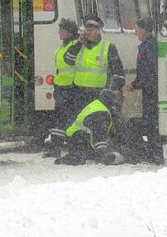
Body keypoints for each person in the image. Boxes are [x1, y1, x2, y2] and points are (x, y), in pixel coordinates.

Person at [125, 16, 164, 164]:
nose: (136, 33)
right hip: (150, 90)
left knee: (152, 124)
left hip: (151, 91)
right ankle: (154, 154)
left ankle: (156, 156)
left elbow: (148, 73)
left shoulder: (149, 47)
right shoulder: (147, 46)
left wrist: (135, 84)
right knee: (150, 123)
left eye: (137, 30)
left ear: (144, 30)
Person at [55, 89, 123, 165]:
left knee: (89, 155)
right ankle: (71, 158)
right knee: (85, 157)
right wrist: (102, 152)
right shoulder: (101, 112)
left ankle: (75, 156)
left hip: (75, 136)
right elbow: (99, 133)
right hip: (78, 137)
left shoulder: (97, 105)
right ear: (109, 101)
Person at [44, 18, 81, 157]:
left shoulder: (75, 46)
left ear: (69, 32)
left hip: (71, 88)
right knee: (59, 120)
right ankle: (55, 148)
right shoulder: (63, 46)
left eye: (62, 29)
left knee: (68, 120)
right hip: (61, 88)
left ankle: (69, 148)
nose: (59, 32)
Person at [73, 15, 125, 108]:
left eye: (91, 30)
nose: (87, 33)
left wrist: (115, 89)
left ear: (97, 32)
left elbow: (118, 72)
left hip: (99, 93)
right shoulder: (79, 45)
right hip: (80, 94)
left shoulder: (108, 47)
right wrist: (79, 43)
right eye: (86, 30)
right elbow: (67, 59)